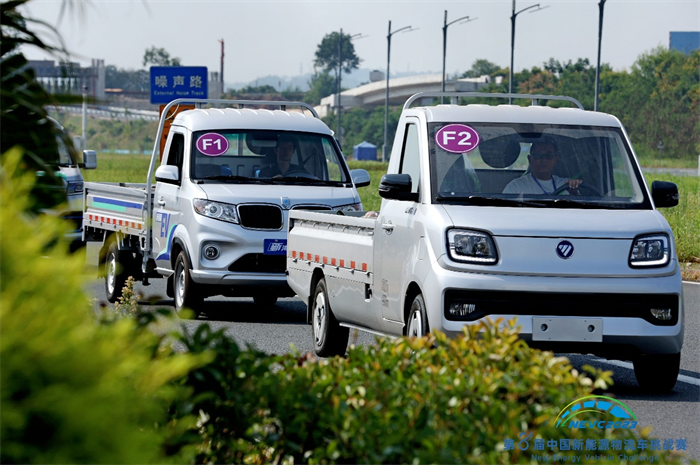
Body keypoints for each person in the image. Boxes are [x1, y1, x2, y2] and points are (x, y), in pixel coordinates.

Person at [502, 140, 582, 195]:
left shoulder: (566, 185)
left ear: (556, 160)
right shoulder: (515, 186)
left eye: (548, 156)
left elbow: (579, 212)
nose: (543, 160)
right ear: (530, 159)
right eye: (538, 155)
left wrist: (574, 193)